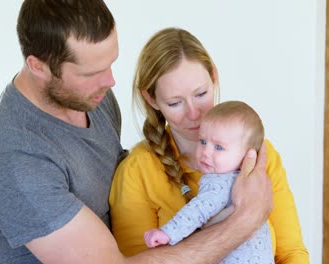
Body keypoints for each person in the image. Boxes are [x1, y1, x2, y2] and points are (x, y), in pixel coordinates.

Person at [0, 1, 273, 263]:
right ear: (39, 67)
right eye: (92, 73)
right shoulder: (13, 161)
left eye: (111, 63)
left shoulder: (92, 99)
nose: (111, 81)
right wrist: (246, 219)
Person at [109, 27, 309, 263]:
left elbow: (291, 253)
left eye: (201, 94)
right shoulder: (137, 172)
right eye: (175, 103)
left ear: (214, 77)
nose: (194, 113)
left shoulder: (259, 156)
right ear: (151, 99)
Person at [144, 101, 274, 263]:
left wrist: (167, 233)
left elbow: (198, 210)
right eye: (203, 142)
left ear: (247, 155)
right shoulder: (251, 183)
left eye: (219, 147)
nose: (206, 152)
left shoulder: (221, 182)